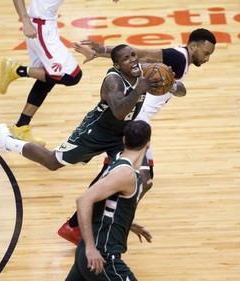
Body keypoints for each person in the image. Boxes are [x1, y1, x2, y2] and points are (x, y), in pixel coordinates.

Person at [57, 28, 216, 245]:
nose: (206, 58)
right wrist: (102, 50)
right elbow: (140, 53)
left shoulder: (181, 62)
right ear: (194, 45)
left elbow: (155, 73)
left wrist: (177, 87)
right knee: (141, 179)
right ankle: (92, 224)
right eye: (205, 53)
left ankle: (78, 224)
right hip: (135, 121)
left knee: (124, 175)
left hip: (136, 120)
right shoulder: (178, 57)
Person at [0, 44, 165, 192]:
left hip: (122, 136)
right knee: (51, 162)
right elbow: (119, 112)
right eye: (126, 58)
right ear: (117, 66)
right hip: (96, 132)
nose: (132, 60)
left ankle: (110, 218)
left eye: (133, 55)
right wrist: (140, 88)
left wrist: (170, 84)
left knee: (145, 179)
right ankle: (5, 139)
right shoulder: (113, 80)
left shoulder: (144, 73)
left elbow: (179, 89)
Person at [65, 120, 153, 281]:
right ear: (148, 145)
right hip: (101, 257)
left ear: (124, 140)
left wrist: (127, 224)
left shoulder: (118, 163)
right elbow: (84, 200)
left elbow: (106, 204)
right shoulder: (125, 174)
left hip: (87, 252)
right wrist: (91, 248)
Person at [0, 0, 84, 146]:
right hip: (39, 28)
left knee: (48, 78)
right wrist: (25, 20)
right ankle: (17, 70)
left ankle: (21, 126)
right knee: (71, 76)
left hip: (45, 25)